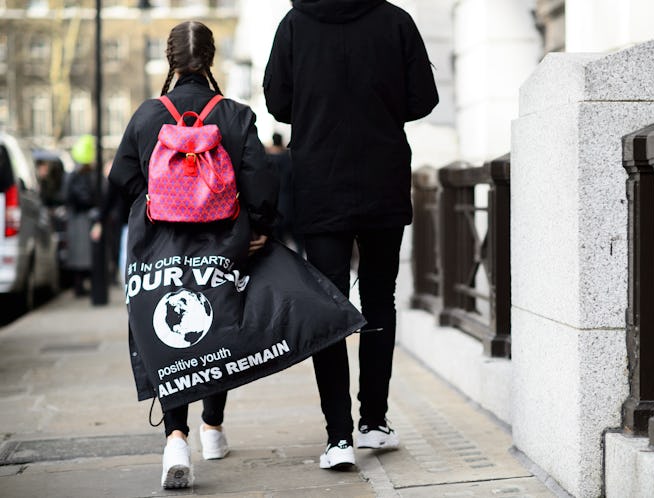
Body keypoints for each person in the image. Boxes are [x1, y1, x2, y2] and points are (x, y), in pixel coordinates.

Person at [264, 0, 439, 470]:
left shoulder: (295, 25)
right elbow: (424, 98)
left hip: (319, 181)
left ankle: (337, 437)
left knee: (328, 308)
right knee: (381, 298)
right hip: (382, 176)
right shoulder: (395, 21)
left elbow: (277, 102)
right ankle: (374, 423)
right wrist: (379, 106)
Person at [108, 21, 278, 489]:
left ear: (171, 61)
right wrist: (259, 227)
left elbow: (120, 177)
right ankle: (213, 427)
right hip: (223, 241)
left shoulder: (147, 116)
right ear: (211, 58)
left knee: (171, 331)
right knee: (216, 327)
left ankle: (175, 438)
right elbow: (261, 183)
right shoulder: (235, 114)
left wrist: (152, 199)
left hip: (159, 243)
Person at [65, 135, 98, 297]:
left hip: (77, 219)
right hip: (82, 219)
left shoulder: (74, 175)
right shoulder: (82, 176)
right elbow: (83, 196)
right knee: (84, 255)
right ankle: (80, 287)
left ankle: (79, 286)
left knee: (80, 256)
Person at [266, 131, 303, 253]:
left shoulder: (267, 159)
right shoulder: (287, 159)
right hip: (290, 202)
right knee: (297, 240)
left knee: (278, 241)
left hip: (274, 203)